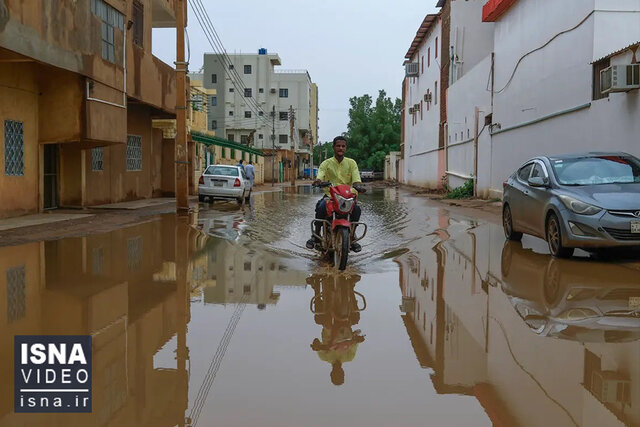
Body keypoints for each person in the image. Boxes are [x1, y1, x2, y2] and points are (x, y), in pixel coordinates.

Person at [306, 136, 363, 252]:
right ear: (333, 147)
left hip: (347, 197)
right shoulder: (326, 163)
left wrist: (358, 185)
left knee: (357, 210)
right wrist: (318, 181)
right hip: (331, 196)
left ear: (345, 148)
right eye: (338, 146)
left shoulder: (351, 163)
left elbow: (356, 178)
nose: (341, 148)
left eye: (343, 146)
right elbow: (320, 174)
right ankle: (316, 235)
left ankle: (352, 235)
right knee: (321, 207)